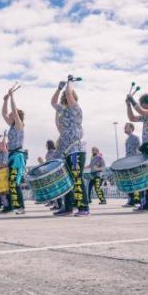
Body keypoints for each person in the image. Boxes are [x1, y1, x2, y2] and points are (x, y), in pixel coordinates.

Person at [51, 77, 89, 217]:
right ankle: (68, 208)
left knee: (77, 178)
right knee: (67, 180)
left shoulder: (76, 108)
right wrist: (58, 88)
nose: (66, 97)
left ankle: (83, 208)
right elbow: (53, 102)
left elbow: (68, 93)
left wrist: (70, 82)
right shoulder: (63, 109)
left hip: (76, 149)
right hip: (66, 150)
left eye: (68, 95)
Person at [0, 87, 27, 215]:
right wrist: (5, 100)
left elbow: (13, 111)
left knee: (14, 182)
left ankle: (20, 207)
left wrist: (11, 96)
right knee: (10, 182)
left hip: (17, 156)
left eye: (12, 115)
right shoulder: (11, 126)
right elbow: (4, 113)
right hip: (11, 155)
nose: (9, 116)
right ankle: (11, 205)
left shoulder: (19, 125)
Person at [122, 122, 142, 207]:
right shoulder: (127, 139)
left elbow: (139, 150)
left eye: (126, 127)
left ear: (131, 128)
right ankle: (131, 200)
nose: (124, 129)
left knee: (136, 181)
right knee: (129, 181)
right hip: (128, 162)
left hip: (134, 162)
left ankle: (137, 200)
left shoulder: (135, 138)